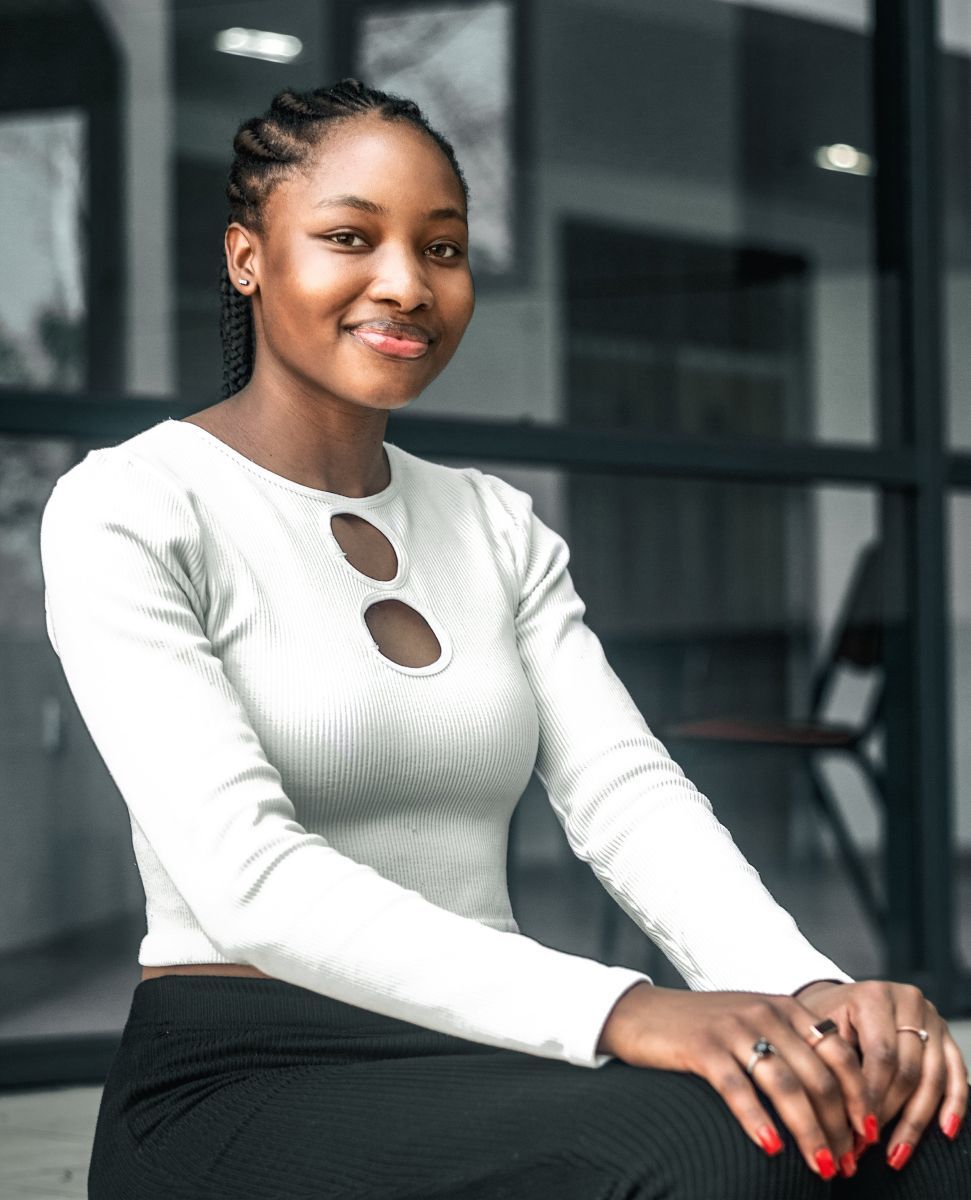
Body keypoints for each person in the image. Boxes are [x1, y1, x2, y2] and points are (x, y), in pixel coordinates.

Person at [38, 78, 971, 1199]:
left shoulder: (489, 521)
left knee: (902, 1133)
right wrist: (622, 1007)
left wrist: (806, 996)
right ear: (247, 257)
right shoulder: (134, 505)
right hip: (245, 1068)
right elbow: (249, 878)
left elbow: (626, 795)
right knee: (716, 1157)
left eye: (442, 248)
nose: (405, 283)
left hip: (483, 1043)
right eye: (348, 236)